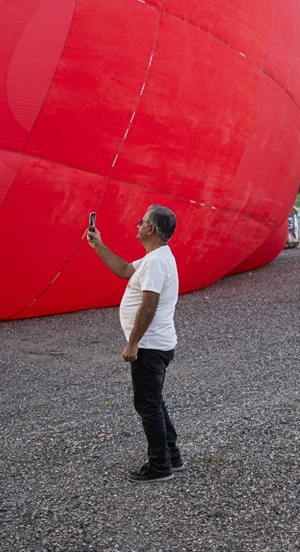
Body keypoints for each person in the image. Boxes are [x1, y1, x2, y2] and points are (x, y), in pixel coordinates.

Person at [86, 205, 183, 482]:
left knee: (148, 405)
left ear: (151, 228)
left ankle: (160, 466)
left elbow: (148, 305)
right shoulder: (156, 257)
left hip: (150, 346)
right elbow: (124, 269)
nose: (137, 224)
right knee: (154, 402)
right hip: (156, 344)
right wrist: (98, 245)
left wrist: (133, 343)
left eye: (141, 221)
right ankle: (171, 457)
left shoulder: (155, 263)